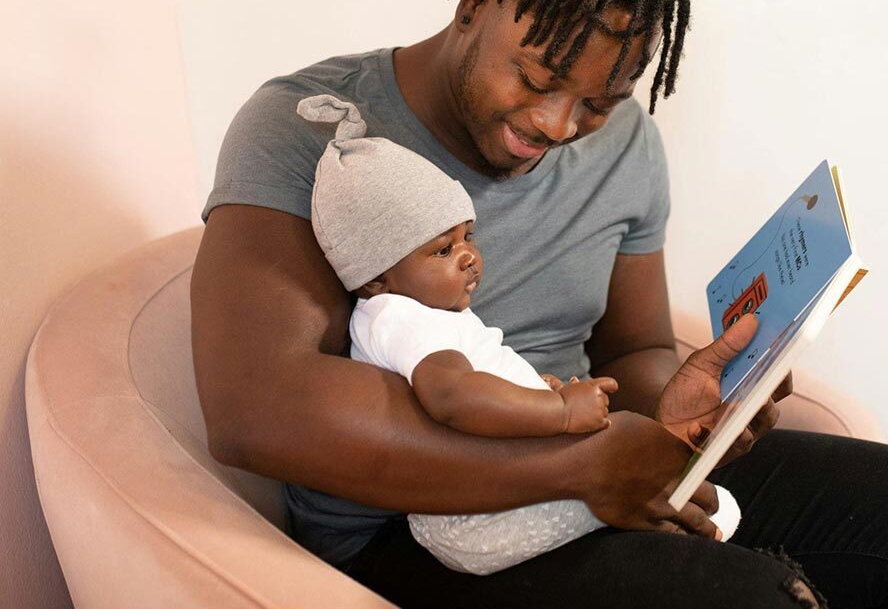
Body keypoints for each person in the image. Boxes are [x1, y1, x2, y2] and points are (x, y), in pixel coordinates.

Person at [191, 0, 888, 606]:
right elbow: (258, 408)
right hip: (411, 530)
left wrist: (681, 402)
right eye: (538, 78)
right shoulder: (313, 129)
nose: (555, 124)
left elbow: (633, 349)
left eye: (599, 102)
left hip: (590, 453)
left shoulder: (626, 148)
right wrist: (575, 464)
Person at [295, 92, 745, 575]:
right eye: (442, 251)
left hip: (491, 500)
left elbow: (480, 385)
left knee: (668, 486)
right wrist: (559, 411)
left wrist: (536, 390)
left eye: (467, 236)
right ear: (374, 276)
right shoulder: (399, 317)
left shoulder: (426, 312)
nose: (468, 256)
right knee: (701, 504)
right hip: (471, 519)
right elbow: (453, 397)